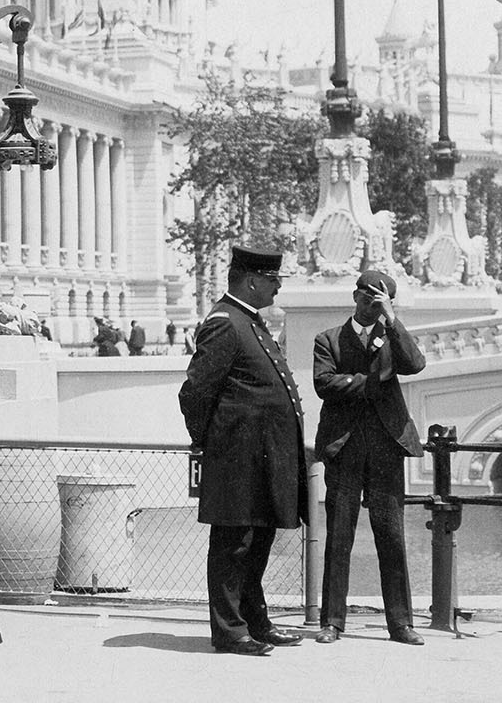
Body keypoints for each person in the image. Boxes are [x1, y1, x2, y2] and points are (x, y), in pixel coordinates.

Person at [177, 245, 307, 656]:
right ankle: (230, 631)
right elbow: (195, 393)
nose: (278, 287)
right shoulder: (225, 323)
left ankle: (255, 622)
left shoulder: (247, 321)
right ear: (251, 281)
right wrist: (211, 445)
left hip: (260, 460)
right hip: (237, 460)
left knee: (257, 543)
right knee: (234, 546)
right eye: (273, 280)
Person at [312, 270, 427, 646]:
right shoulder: (328, 339)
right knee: (339, 537)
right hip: (344, 448)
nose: (369, 306)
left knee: (391, 536)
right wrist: (375, 382)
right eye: (366, 298)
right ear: (354, 295)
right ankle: (332, 622)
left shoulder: (391, 335)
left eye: (378, 301)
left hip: (384, 447)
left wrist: (392, 319)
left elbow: (415, 364)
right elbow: (324, 384)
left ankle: (400, 623)